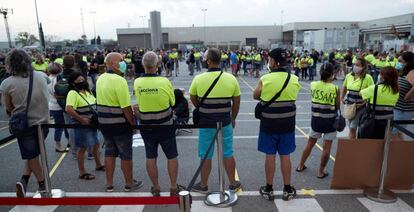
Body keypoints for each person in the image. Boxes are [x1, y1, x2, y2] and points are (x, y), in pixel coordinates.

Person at [189, 48, 242, 194]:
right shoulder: (231, 78)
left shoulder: (198, 79)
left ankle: (203, 184)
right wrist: (233, 118)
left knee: (205, 154)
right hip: (225, 121)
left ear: (209, 60)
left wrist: (203, 107)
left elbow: (193, 98)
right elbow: (236, 102)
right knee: (228, 152)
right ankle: (232, 183)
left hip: (206, 123)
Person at [253, 48, 301, 201]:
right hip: (287, 124)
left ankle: (269, 188)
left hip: (269, 124)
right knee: (285, 155)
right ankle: (287, 188)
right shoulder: (294, 79)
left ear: (273, 62)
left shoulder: (265, 79)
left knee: (270, 156)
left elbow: (255, 95)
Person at [0, 49, 50, 197]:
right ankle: (24, 180)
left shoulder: (7, 83)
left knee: (31, 156)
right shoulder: (41, 76)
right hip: (44, 122)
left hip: (25, 124)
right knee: (33, 153)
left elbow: (8, 108)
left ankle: (42, 185)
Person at [134, 51, 183, 196]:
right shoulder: (164, 81)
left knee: (150, 157)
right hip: (165, 125)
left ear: (143, 64)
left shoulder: (137, 82)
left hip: (146, 125)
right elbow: (173, 102)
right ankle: (173, 187)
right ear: (157, 65)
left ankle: (156, 187)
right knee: (172, 156)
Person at [96, 52, 143, 192]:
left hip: (104, 122)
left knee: (109, 152)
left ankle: (109, 184)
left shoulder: (100, 78)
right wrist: (133, 124)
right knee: (125, 154)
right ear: (111, 64)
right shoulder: (119, 80)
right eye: (120, 60)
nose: (123, 63)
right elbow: (126, 107)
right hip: (120, 123)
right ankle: (129, 183)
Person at [297, 63, 339, 178]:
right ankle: (321, 172)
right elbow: (337, 106)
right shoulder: (335, 88)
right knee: (326, 147)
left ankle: (300, 165)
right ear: (332, 74)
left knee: (310, 143)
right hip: (330, 121)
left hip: (316, 119)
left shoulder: (313, 84)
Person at [66, 72, 104, 180]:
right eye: (78, 81)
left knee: (96, 144)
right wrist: (81, 119)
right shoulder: (73, 93)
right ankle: (82, 172)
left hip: (92, 123)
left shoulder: (88, 91)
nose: (82, 82)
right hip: (82, 125)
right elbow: (68, 109)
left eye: (83, 79)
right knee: (82, 148)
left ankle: (98, 164)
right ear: (73, 83)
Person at [360, 67, 399, 139]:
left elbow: (361, 94)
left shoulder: (375, 88)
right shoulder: (395, 91)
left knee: (371, 142)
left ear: (383, 77)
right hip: (388, 121)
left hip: (374, 121)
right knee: (383, 142)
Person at [341, 57, 374, 139]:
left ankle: (351, 146)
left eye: (358, 65)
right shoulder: (349, 76)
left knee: (353, 127)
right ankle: (354, 144)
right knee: (351, 127)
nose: (355, 66)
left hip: (361, 107)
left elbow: (372, 91)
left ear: (363, 67)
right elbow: (344, 87)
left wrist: (365, 102)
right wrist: (341, 97)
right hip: (349, 106)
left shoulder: (368, 78)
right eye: (354, 64)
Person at [48, 62, 69, 152]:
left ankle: (65, 142)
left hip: (52, 104)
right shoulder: (58, 79)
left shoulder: (48, 78)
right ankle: (59, 144)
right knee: (61, 126)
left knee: (61, 125)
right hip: (59, 105)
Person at [393, 52, 414, 140]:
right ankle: (401, 151)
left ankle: (395, 152)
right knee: (398, 132)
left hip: (403, 109)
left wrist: (408, 96)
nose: (398, 63)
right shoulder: (404, 72)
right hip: (398, 107)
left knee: (394, 133)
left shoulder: (412, 72)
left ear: (407, 62)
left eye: (400, 61)